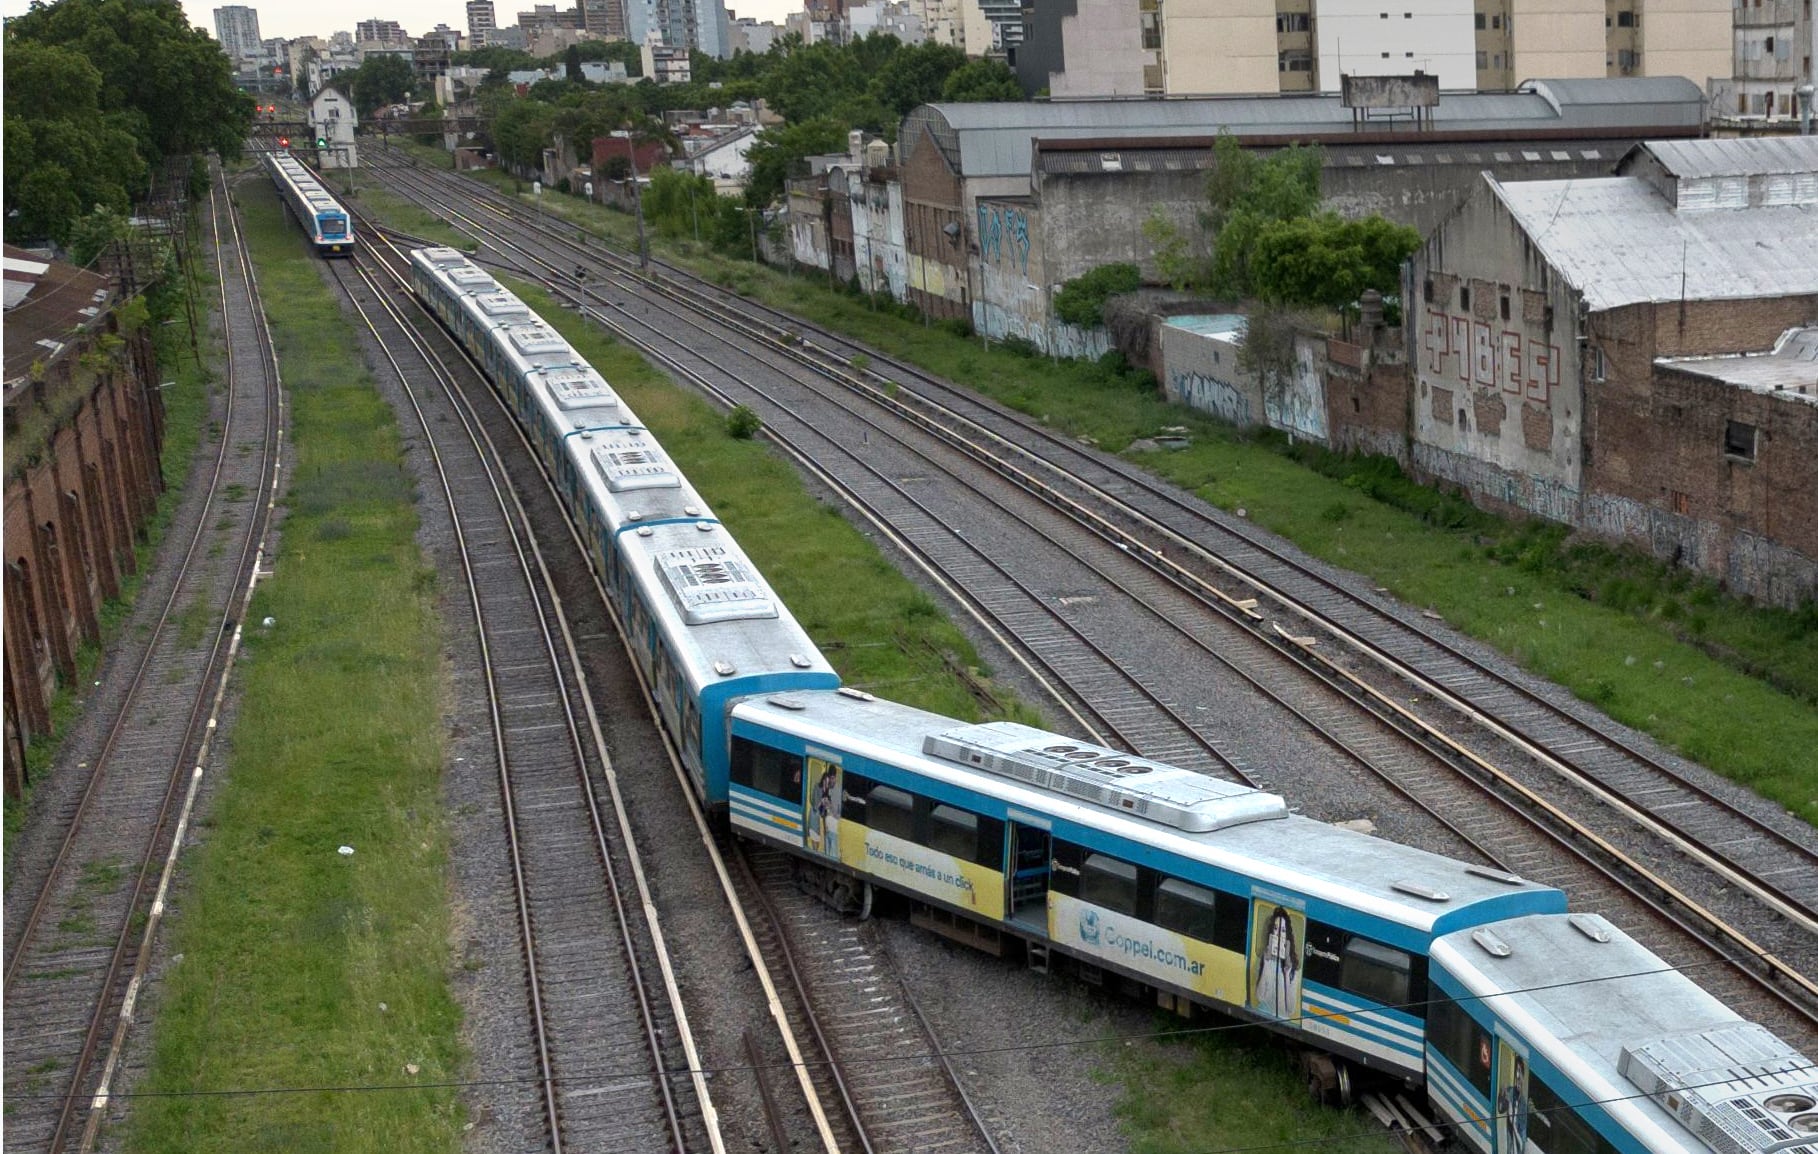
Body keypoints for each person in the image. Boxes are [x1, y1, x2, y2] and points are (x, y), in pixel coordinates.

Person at [1253, 906, 1301, 1018]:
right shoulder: (1264, 960)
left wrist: (1287, 974)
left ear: (1287, 934)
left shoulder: (1293, 969)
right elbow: (1260, 997)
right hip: (1263, 1015)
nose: (1279, 934)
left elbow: (1290, 1009)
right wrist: (1266, 964)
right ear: (1272, 932)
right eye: (1275, 928)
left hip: (1282, 1018)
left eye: (1283, 930)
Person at [1497, 1054, 1529, 1154]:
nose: (1518, 1077)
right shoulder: (1509, 1091)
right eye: (1517, 1073)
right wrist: (1501, 1095)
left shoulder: (1523, 1104)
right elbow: (1500, 1109)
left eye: (1520, 1073)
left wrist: (1514, 1125)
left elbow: (1522, 1138)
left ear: (1523, 1077)